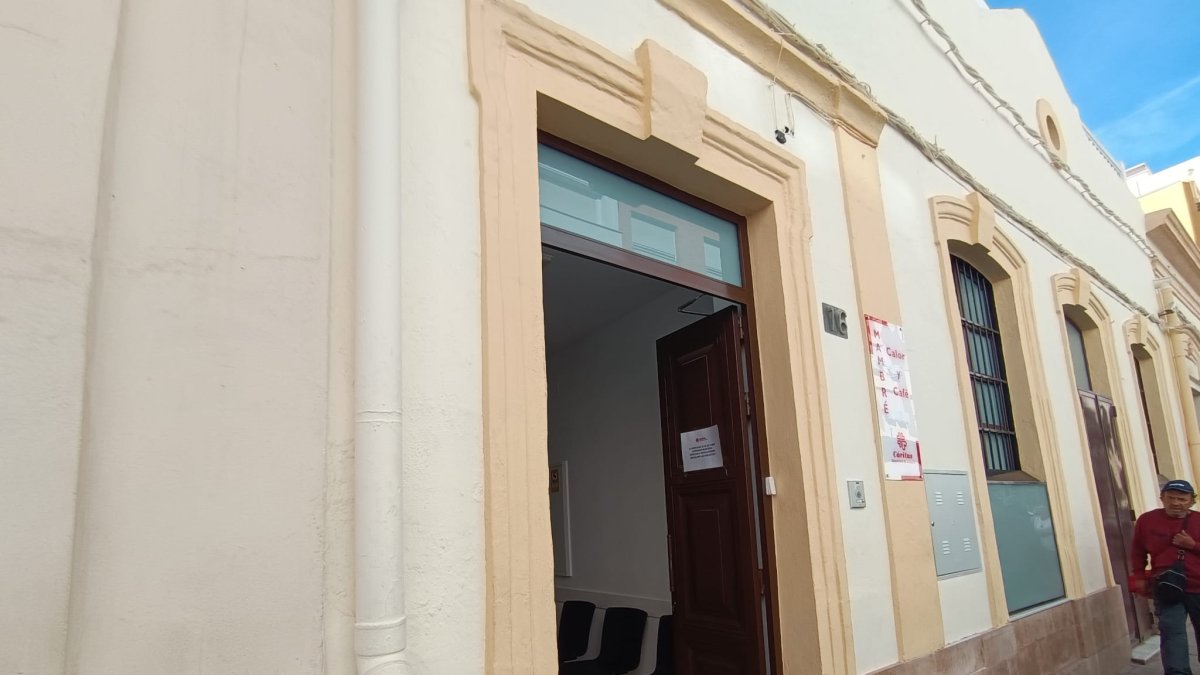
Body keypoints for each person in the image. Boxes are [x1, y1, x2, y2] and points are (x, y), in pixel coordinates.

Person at [1132, 479, 1200, 674]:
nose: (1176, 503)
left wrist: (1192, 545)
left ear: (1191, 502)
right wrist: (1138, 576)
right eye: (1171, 498)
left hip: (1198, 587)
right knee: (1172, 636)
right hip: (1167, 587)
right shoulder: (1147, 520)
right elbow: (1137, 551)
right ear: (1162, 498)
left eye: (1182, 499)